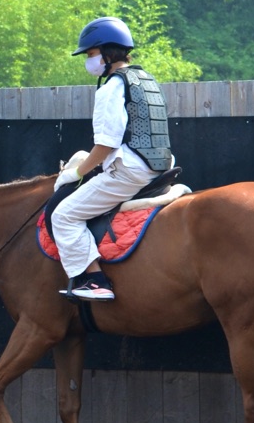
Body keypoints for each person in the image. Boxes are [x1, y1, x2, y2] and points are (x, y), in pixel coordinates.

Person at [52, 16, 174, 301]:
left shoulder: (112, 88)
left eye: (92, 54)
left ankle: (94, 281)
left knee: (64, 216)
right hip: (161, 166)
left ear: (108, 53)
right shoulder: (146, 79)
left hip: (131, 172)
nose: (89, 61)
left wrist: (77, 172)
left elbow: (105, 145)